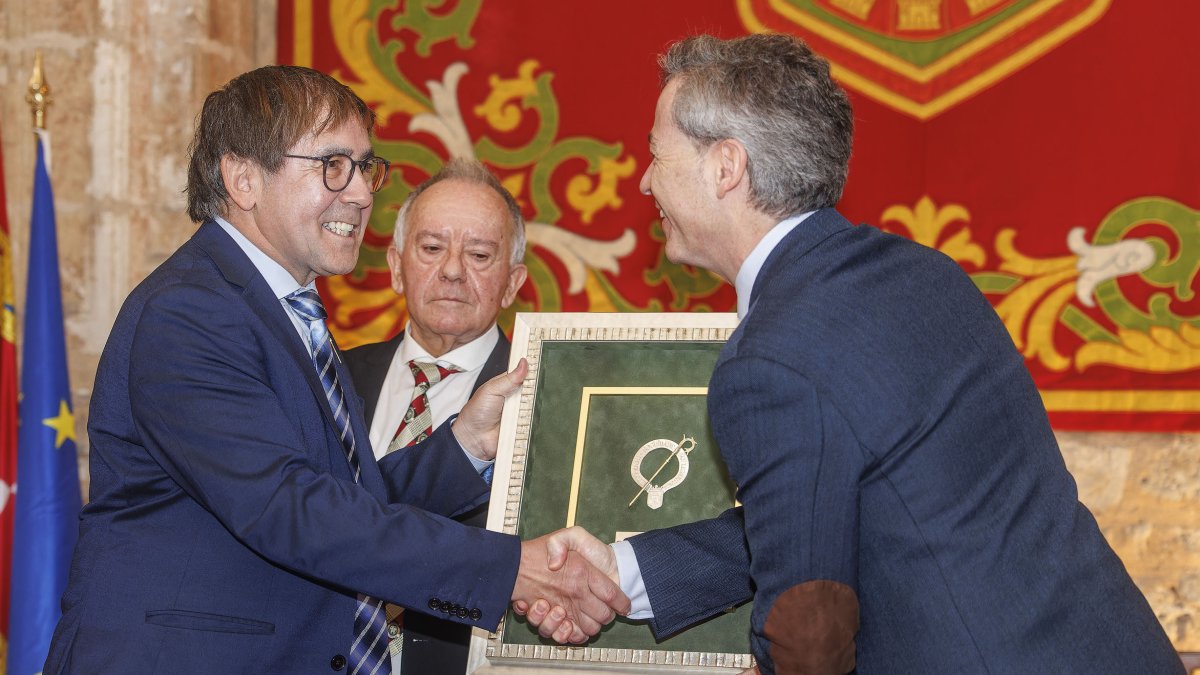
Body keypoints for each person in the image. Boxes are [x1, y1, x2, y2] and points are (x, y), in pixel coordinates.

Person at [522, 34, 1185, 675]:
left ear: (726, 167)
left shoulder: (769, 361)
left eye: (656, 154)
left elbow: (809, 629)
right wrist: (624, 573)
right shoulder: (927, 274)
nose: (644, 182)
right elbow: (857, 506)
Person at [44, 65, 626, 674]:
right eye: (332, 166)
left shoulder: (285, 311)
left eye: (365, 167)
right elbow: (289, 509)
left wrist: (465, 444)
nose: (360, 193)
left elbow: (344, 499)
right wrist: (510, 569)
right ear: (243, 178)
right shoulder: (193, 311)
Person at [345, 158, 527, 674]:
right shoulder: (328, 378)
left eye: (479, 253)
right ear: (396, 267)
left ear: (512, 284)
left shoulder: (546, 398)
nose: (452, 269)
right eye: (431, 248)